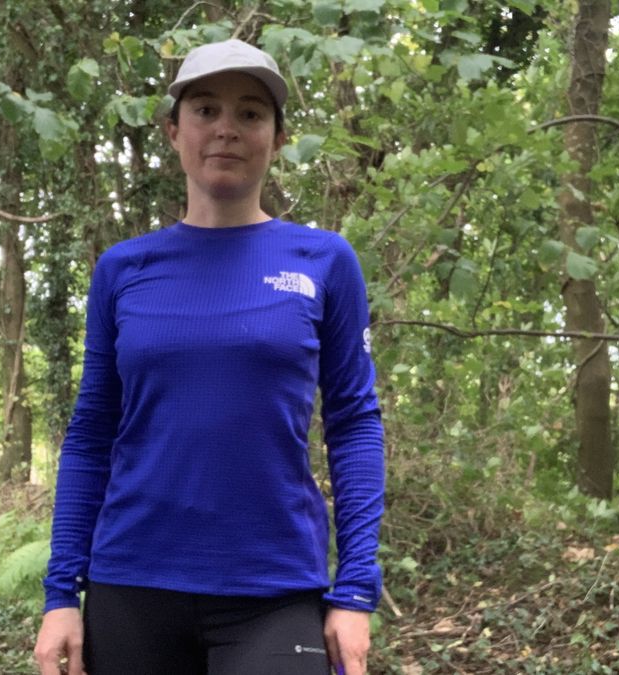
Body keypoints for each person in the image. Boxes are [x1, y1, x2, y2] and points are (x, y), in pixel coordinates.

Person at [33, 38, 385, 675]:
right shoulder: (124, 269)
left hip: (274, 587)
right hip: (133, 583)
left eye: (251, 113)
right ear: (174, 130)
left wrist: (356, 590)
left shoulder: (325, 262)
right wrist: (61, 595)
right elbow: (91, 432)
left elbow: (355, 424)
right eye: (205, 109)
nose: (227, 128)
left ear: (277, 138)